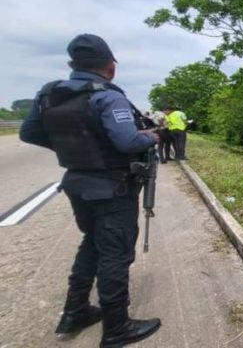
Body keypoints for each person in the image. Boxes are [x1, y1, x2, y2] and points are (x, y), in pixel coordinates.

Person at [19, 34, 162, 347]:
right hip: (112, 187)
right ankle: (116, 327)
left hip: (77, 183)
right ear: (111, 67)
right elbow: (127, 142)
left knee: (93, 244)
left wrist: (75, 145)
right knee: (116, 253)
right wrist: (150, 137)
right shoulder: (108, 97)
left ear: (72, 65)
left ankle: (76, 310)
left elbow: (28, 132)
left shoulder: (49, 93)